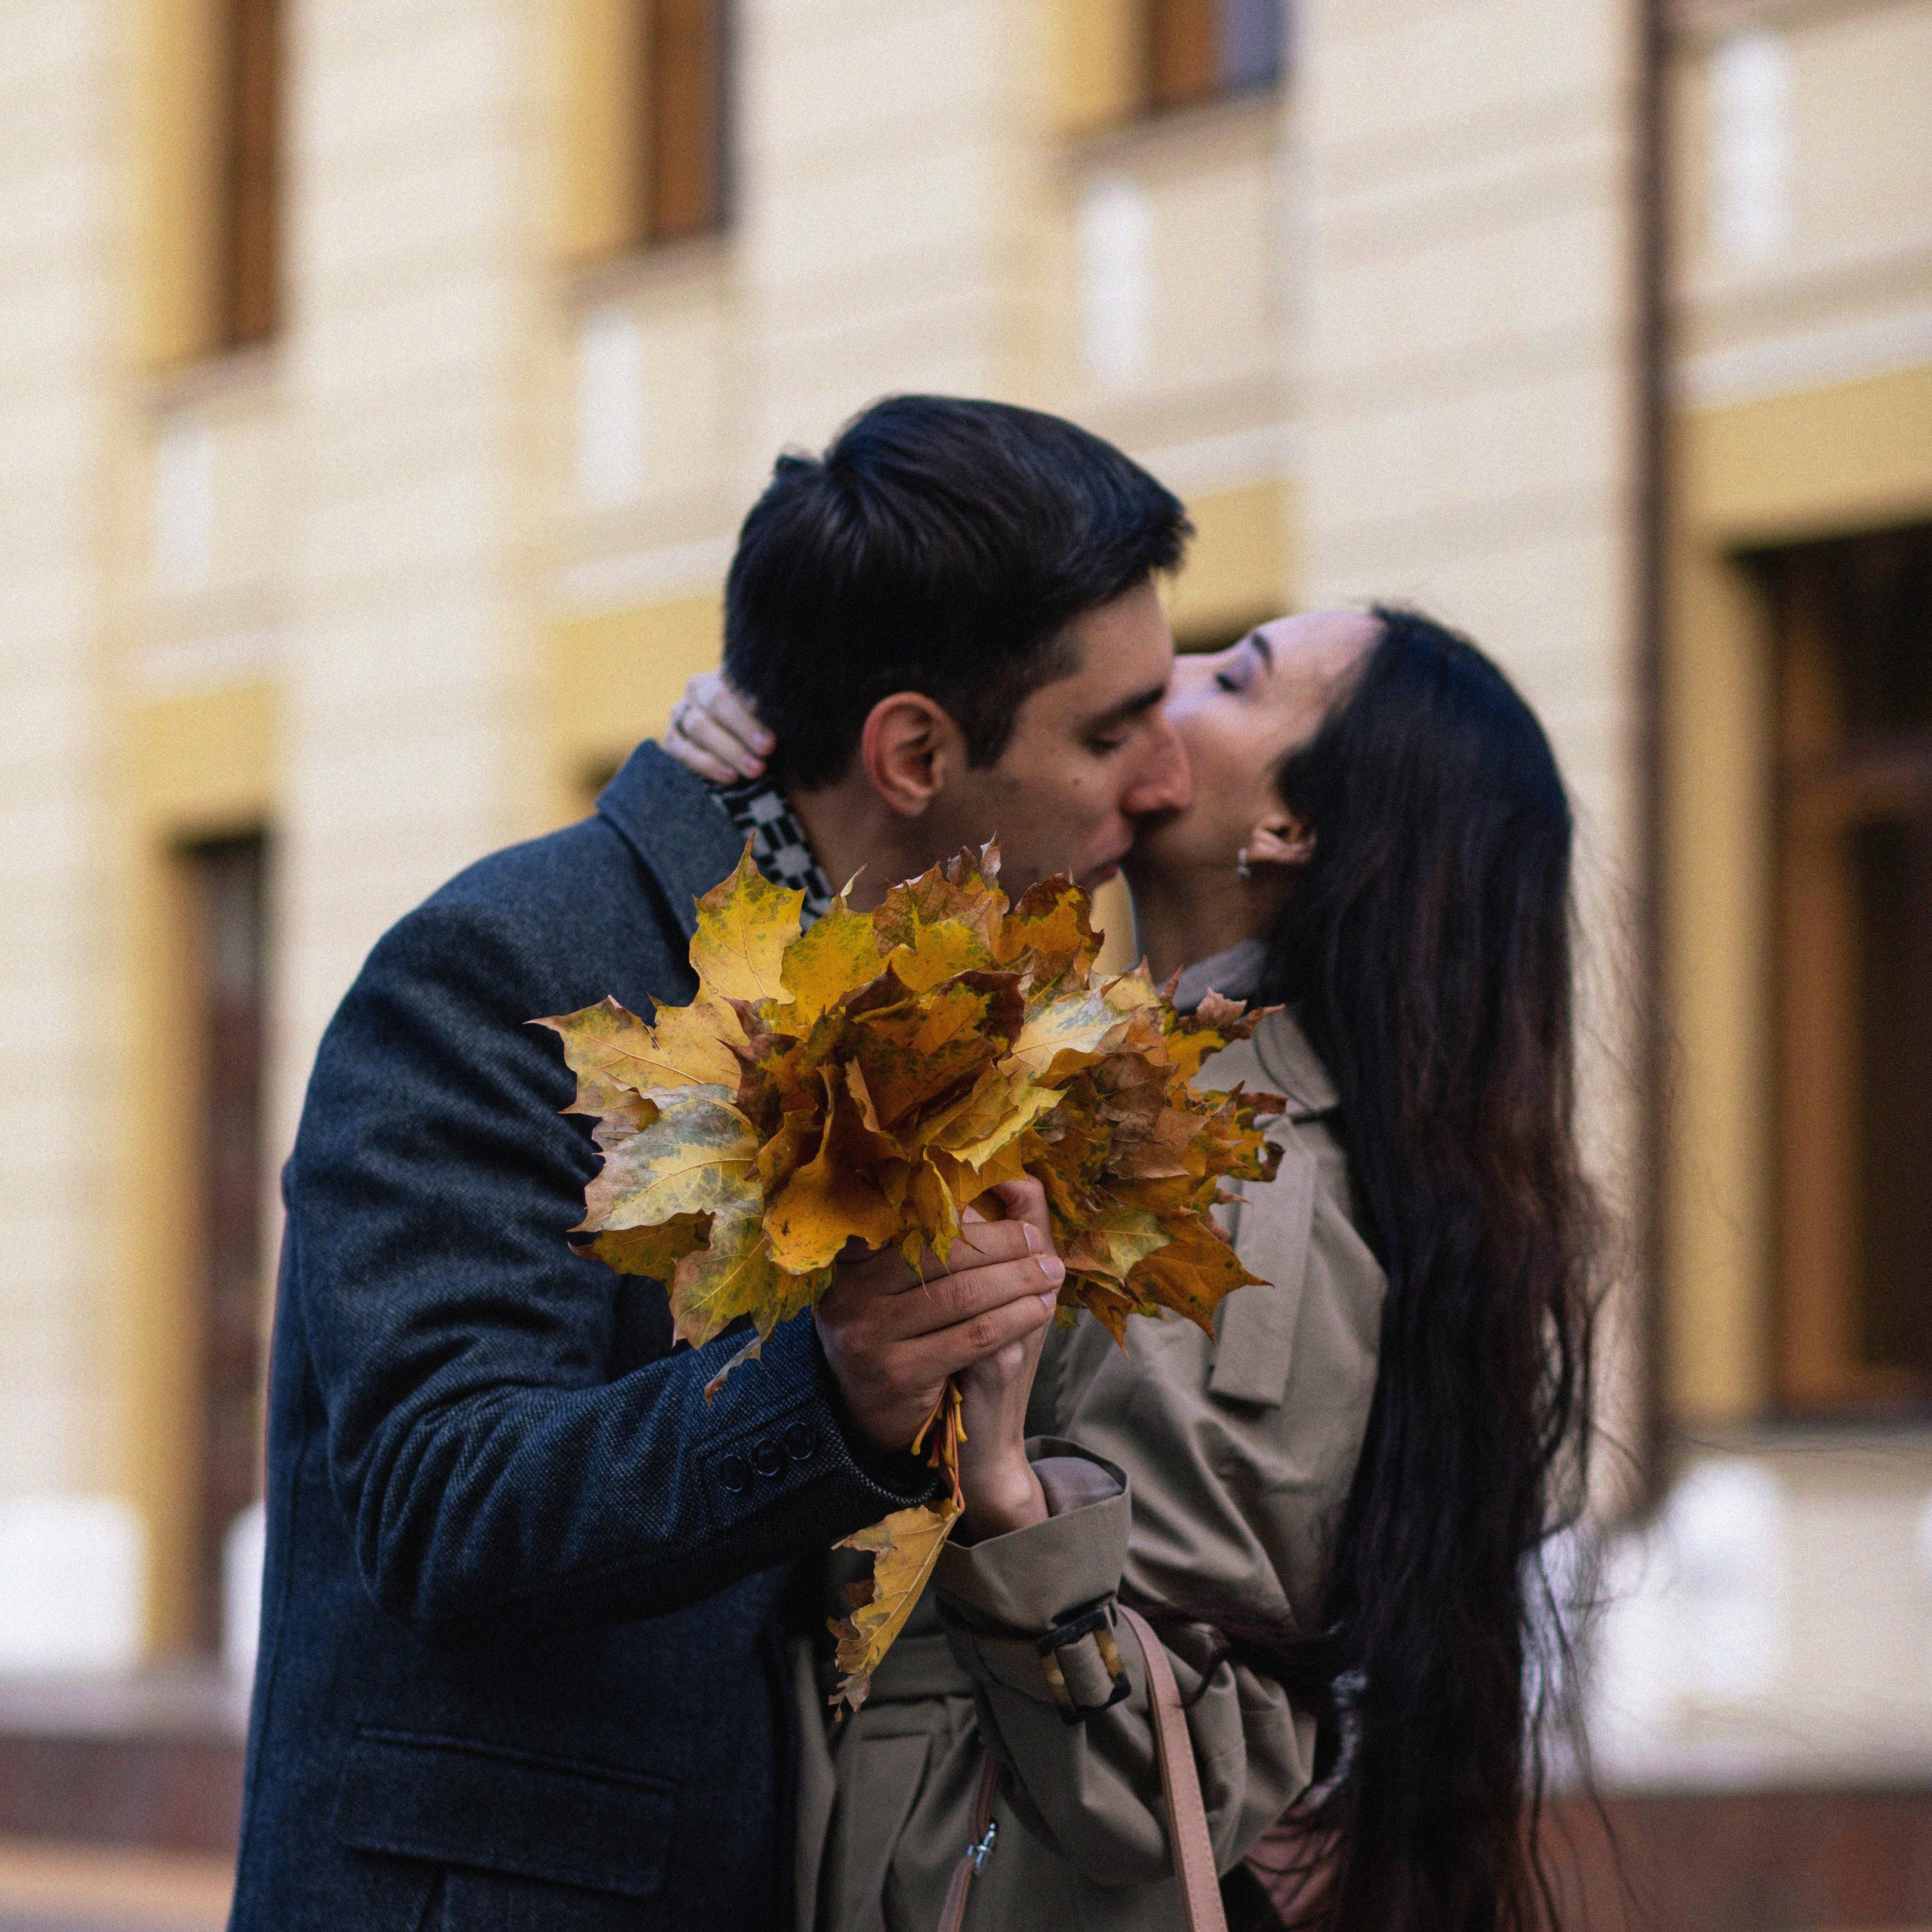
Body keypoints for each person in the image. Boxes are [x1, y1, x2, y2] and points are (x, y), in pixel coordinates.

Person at [228, 395, 1193, 1932]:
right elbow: (438, 1497)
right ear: (912, 747)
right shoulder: (506, 965)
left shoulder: (958, 1008)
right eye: (1109, 729)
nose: (1168, 778)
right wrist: (830, 1389)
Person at [666, 604, 1598, 1932]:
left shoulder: (1245, 1201)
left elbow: (1169, 1776)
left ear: (1288, 827)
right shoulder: (1116, 1084)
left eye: (1240, 674)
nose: (1177, 676)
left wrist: (1008, 1504)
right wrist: (782, 776)